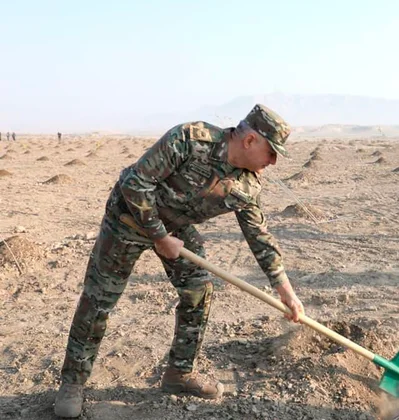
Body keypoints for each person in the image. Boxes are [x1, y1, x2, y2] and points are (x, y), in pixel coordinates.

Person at [54, 104, 306, 418]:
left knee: (199, 289)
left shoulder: (248, 184)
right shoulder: (190, 139)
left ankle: (179, 374)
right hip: (128, 218)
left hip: (174, 227)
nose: (273, 161)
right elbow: (136, 183)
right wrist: (158, 236)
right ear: (250, 140)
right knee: (99, 298)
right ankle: (72, 383)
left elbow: (259, 236)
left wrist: (286, 290)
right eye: (272, 151)